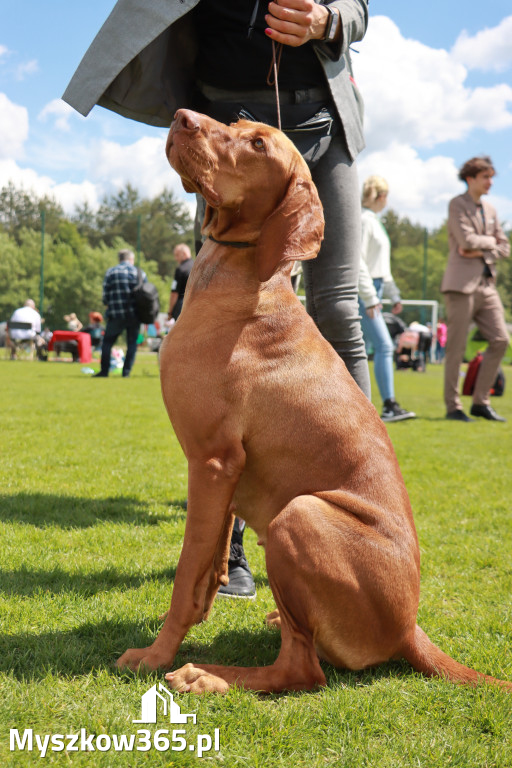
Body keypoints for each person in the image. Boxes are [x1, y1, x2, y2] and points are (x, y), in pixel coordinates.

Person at [63, 0, 370, 596]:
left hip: (323, 120)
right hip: (229, 123)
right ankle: (230, 556)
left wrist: (327, 21)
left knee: (338, 308)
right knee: (220, 319)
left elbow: (359, 8)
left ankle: (367, 510)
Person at [442, 156, 510, 422]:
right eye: (486, 177)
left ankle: (480, 401)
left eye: (491, 177)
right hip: (460, 286)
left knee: (501, 339)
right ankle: (453, 407)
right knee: (456, 349)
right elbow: (465, 241)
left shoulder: (492, 210)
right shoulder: (456, 204)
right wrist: (487, 244)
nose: (490, 182)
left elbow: (504, 246)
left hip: (487, 284)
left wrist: (480, 247)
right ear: (470, 179)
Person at [358, 176, 416, 422]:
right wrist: (370, 297)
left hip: (376, 289)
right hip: (365, 292)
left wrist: (394, 295)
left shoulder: (375, 222)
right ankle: (389, 406)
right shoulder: (363, 220)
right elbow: (357, 260)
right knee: (384, 345)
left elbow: (382, 267)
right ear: (381, 196)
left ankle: (369, 407)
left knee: (364, 347)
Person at [94, 249, 146, 378]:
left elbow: (105, 296)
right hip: (134, 315)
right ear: (131, 259)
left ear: (120, 259)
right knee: (132, 344)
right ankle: (126, 373)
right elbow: (145, 295)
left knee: (107, 343)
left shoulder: (111, 272)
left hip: (115, 314)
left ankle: (104, 371)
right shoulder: (139, 273)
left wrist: (110, 304)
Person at [168, 244, 194, 321]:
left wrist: (170, 312)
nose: (175, 258)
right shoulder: (197, 266)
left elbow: (174, 293)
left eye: (177, 255)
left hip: (182, 308)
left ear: (184, 254)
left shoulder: (180, 269)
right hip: (197, 306)